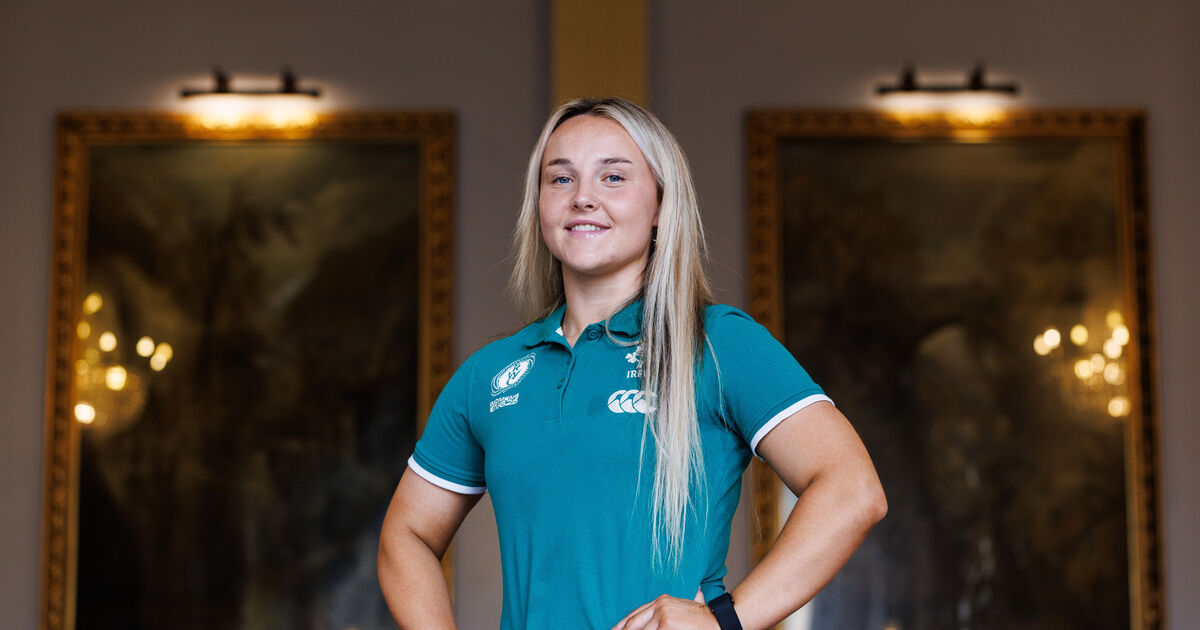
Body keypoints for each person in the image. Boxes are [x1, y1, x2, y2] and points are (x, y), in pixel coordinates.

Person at [377, 97, 887, 630]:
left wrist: (724, 622)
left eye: (614, 177)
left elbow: (851, 489)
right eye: (560, 179)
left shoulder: (716, 342)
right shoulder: (490, 375)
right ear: (539, 204)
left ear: (661, 205)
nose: (583, 198)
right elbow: (406, 536)